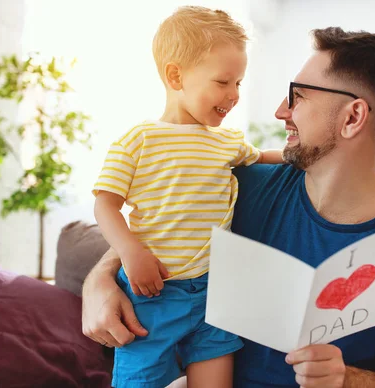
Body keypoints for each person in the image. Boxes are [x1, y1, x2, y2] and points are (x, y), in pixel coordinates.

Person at [84, 26, 375, 388]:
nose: (281, 111)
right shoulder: (242, 186)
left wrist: (349, 379)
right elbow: (162, 224)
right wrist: (100, 281)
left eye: (298, 95)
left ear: (352, 117)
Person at [91, 6, 283, 388]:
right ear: (176, 76)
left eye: (239, 84)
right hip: (155, 294)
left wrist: (306, 153)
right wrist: (131, 252)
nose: (234, 95)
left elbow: (263, 157)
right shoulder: (137, 140)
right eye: (223, 82)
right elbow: (105, 204)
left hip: (216, 293)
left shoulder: (229, 142)